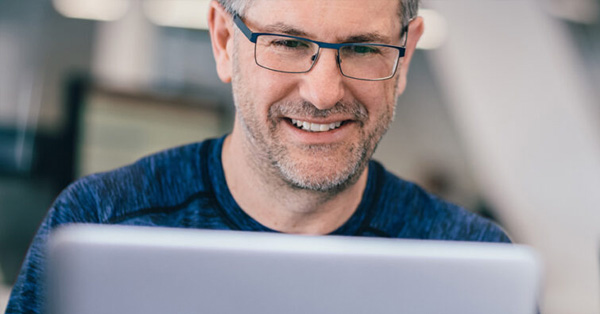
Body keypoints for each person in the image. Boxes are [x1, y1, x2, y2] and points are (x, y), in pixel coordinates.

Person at [5, 0, 510, 313]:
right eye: (288, 42)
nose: (322, 93)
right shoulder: (100, 226)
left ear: (405, 57)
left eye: (361, 49)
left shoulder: (474, 266)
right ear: (224, 41)